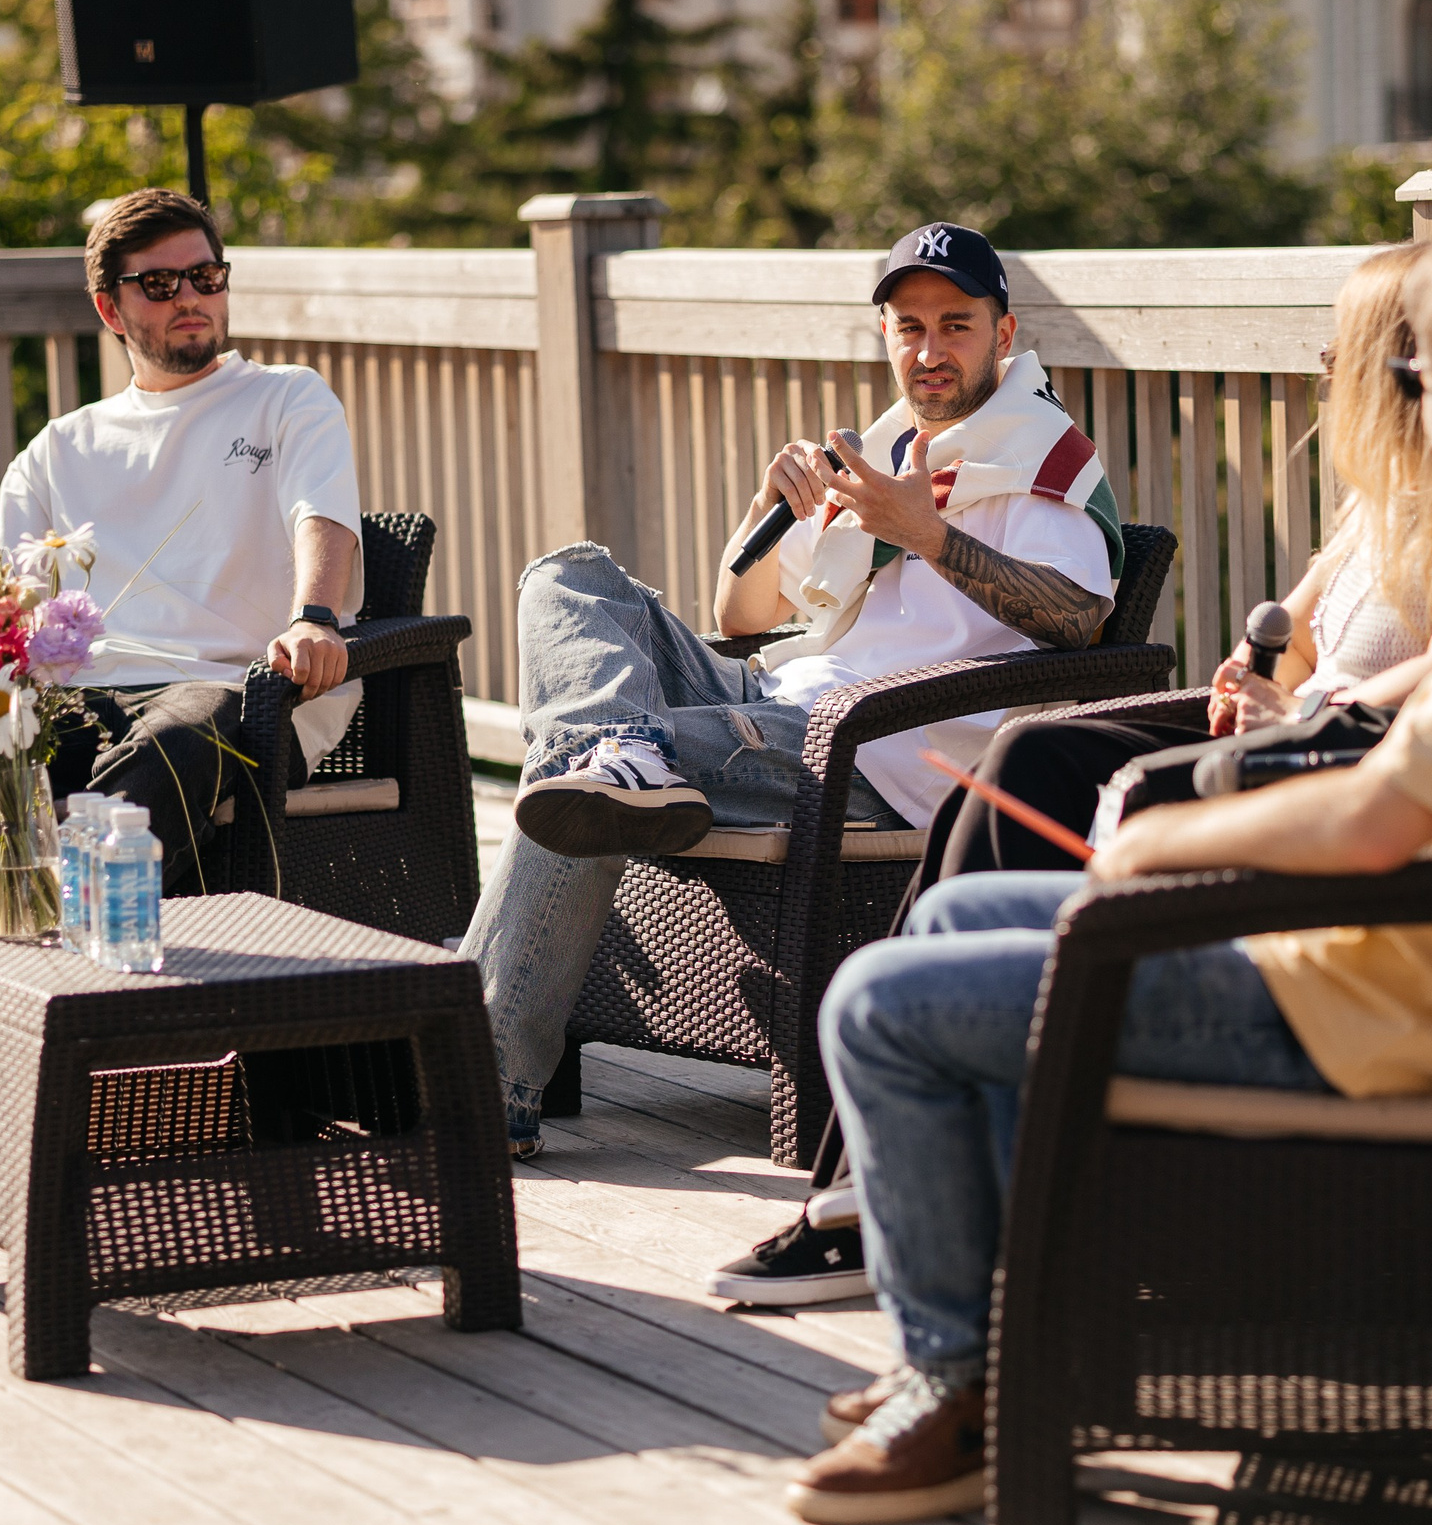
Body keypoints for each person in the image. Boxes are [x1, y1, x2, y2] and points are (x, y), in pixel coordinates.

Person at [782, 212, 1432, 1525]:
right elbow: (1415, 759)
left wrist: (1158, 840)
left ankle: (962, 1383)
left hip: (1358, 1006)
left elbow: (1373, 828)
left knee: (879, 1007)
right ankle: (1013, 1335)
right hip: (1370, 964)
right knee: (952, 912)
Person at [708, 244, 1432, 1307]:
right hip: (1296, 748)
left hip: (1339, 776)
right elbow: (1297, 629)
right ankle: (868, 1181)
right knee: (1029, 755)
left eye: (1335, 354)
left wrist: (1304, 708)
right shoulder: (1378, 500)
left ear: (1396, 365)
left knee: (1034, 773)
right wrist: (1258, 675)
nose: (1322, 375)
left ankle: (864, 1194)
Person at [466, 221, 1126, 1158]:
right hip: (781, 695)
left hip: (869, 747)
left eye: (956, 325)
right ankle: (621, 755)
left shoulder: (1045, 458)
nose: (929, 350)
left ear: (1005, 333)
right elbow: (740, 614)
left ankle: (487, 1079)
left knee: (571, 765)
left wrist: (931, 533)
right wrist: (763, 512)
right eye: (909, 326)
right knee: (566, 576)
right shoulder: (889, 452)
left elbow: (1076, 618)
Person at [0, 188, 364, 917]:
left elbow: (320, 513)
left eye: (206, 277)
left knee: (175, 744)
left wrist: (314, 616)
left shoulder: (287, 398)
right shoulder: (59, 449)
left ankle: (60, 943)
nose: (190, 297)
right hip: (84, 698)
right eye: (160, 285)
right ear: (110, 310)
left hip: (231, 688)